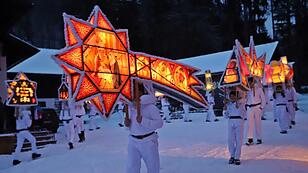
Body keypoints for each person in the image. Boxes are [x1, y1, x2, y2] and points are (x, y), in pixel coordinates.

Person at [124, 80, 163, 173]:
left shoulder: (150, 107)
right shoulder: (129, 107)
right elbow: (129, 126)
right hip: (133, 141)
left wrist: (143, 121)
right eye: (132, 91)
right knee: (131, 167)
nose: (133, 94)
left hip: (148, 141)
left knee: (153, 167)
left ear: (142, 92)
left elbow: (159, 123)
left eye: (135, 91)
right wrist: (127, 124)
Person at [224, 91, 245, 165]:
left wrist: (239, 107)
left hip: (239, 121)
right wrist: (225, 109)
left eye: (233, 96)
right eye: (231, 96)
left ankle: (237, 157)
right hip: (231, 121)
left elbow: (244, 114)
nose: (232, 98)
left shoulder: (241, 103)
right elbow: (225, 116)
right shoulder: (228, 104)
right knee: (230, 140)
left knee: (238, 140)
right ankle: (232, 155)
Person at [245, 77, 265, 145]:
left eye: (251, 82)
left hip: (257, 107)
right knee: (249, 124)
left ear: (254, 82)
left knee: (258, 123)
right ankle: (250, 139)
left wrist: (261, 107)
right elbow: (245, 99)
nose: (250, 84)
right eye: (249, 82)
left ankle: (259, 138)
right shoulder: (246, 90)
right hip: (249, 108)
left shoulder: (259, 89)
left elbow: (263, 99)